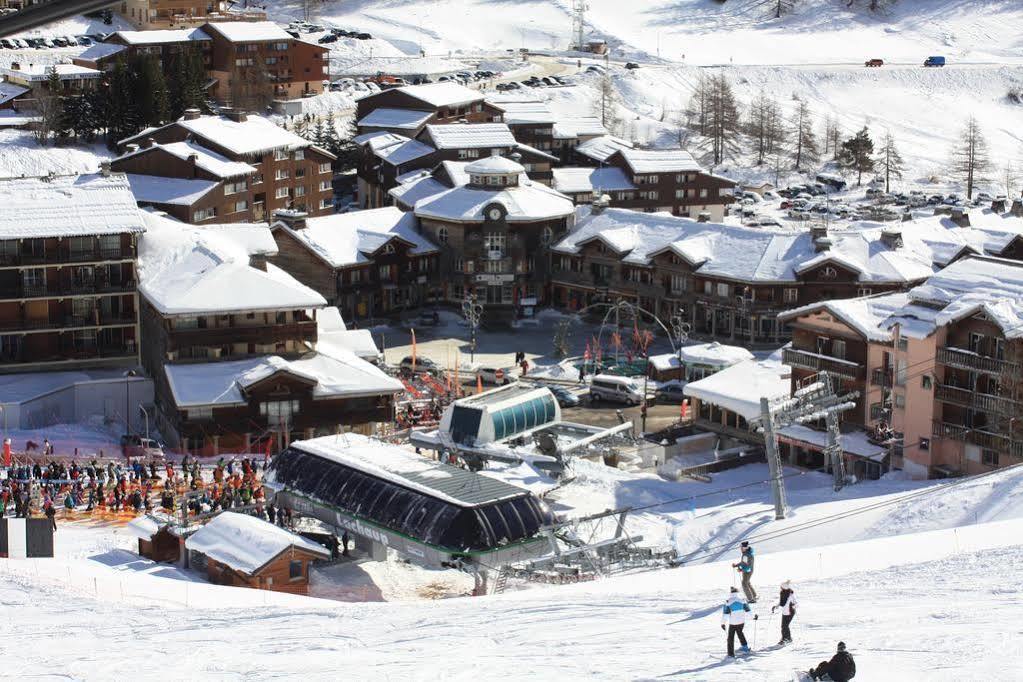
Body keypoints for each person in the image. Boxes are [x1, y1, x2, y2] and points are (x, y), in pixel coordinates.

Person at [720, 586, 755, 657]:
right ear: (737, 592)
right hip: (742, 622)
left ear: (730, 593)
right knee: (740, 633)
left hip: (733, 623)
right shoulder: (742, 601)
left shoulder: (728, 602)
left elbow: (725, 615)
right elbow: (748, 611)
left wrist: (723, 623)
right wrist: (753, 617)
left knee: (730, 637)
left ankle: (731, 654)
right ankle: (745, 647)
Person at [772, 580, 797, 644]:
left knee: (785, 626)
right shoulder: (783, 593)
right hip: (785, 612)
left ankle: (786, 639)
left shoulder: (790, 595)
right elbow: (781, 602)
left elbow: (795, 603)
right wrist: (776, 606)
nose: (780, 588)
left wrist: (794, 606)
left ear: (784, 588)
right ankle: (786, 638)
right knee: (783, 626)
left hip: (790, 612)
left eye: (781, 587)